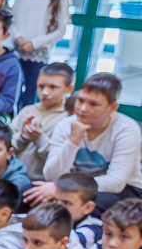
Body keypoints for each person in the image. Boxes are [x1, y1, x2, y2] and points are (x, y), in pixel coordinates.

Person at [34, 71, 141, 205]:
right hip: (73, 187)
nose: (83, 108)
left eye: (93, 104)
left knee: (85, 204)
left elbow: (116, 183)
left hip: (122, 192)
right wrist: (73, 140)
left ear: (112, 107)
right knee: (32, 195)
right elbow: (51, 176)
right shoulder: (66, 125)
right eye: (80, 100)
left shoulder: (126, 129)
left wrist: (63, 187)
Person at [12, 0, 72, 91]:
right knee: (13, 89)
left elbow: (61, 29)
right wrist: (19, 38)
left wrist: (35, 43)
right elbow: (12, 20)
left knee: (31, 93)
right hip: (16, 50)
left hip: (38, 54)